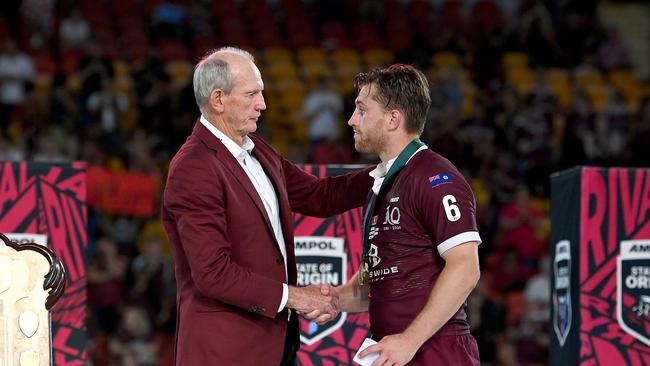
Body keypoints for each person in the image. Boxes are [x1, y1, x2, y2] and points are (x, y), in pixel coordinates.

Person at [161, 47, 373, 366]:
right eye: (252, 94)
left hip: (275, 345)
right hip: (225, 351)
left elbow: (319, 195)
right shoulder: (194, 168)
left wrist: (392, 171)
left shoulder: (258, 148)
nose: (263, 104)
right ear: (218, 99)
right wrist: (296, 296)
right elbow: (212, 273)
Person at [328, 64, 482, 365]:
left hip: (434, 350)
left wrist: (409, 340)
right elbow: (374, 283)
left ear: (393, 119)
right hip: (393, 349)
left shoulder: (435, 176)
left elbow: (466, 267)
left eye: (361, 110)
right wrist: (327, 300)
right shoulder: (380, 186)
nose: (351, 120)